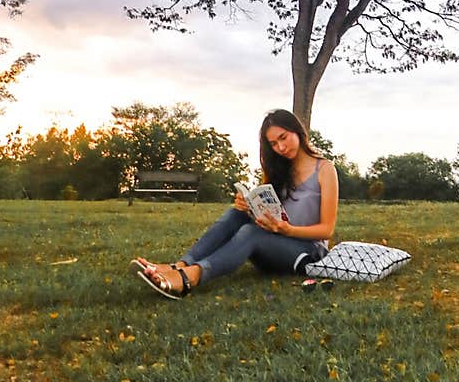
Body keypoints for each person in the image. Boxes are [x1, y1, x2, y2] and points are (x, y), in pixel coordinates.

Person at [132, 110, 338, 299]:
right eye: (273, 144)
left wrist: (288, 230)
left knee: (251, 232)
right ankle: (178, 266)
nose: (280, 148)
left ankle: (191, 277)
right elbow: (268, 208)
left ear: (297, 131)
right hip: (272, 246)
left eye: (283, 138)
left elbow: (326, 230)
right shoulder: (277, 168)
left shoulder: (324, 169)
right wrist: (249, 206)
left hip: (306, 254)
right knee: (235, 215)